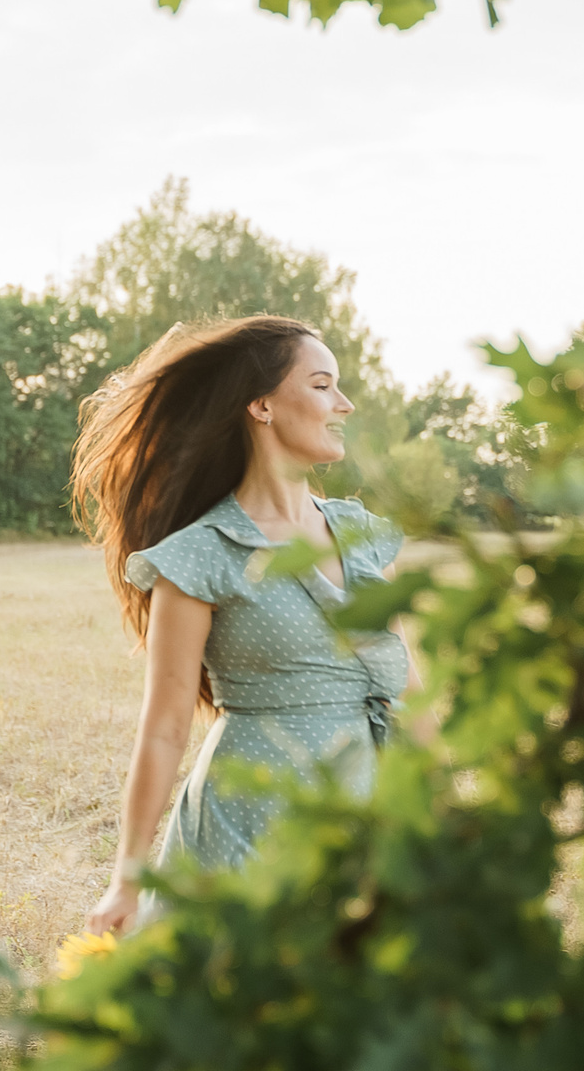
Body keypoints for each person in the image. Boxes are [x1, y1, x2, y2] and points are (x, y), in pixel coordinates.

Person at [74, 315, 414, 937]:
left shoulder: (365, 533)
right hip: (249, 818)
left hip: (368, 802)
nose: (345, 403)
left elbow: (410, 689)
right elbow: (166, 725)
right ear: (261, 404)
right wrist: (128, 879)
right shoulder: (201, 554)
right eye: (321, 385)